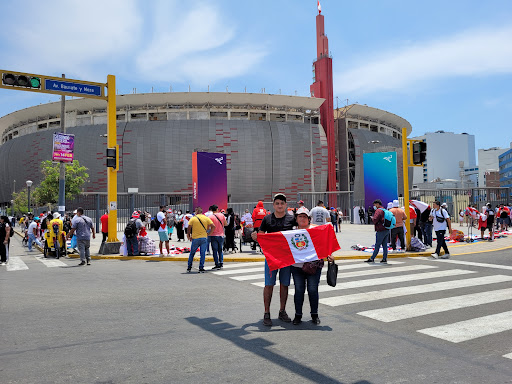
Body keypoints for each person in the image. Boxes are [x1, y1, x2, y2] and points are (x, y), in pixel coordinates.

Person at [251, 193, 296, 327]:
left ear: (286, 205)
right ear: (274, 205)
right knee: (269, 285)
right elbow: (261, 235)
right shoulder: (267, 219)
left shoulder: (291, 219)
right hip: (271, 257)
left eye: (282, 203)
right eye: (277, 203)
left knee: (285, 284)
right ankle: (266, 313)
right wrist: (255, 236)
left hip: (287, 257)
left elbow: (302, 231)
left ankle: (282, 311)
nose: (280, 205)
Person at [290, 207, 334, 325]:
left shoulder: (317, 229)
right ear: (296, 218)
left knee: (312, 290)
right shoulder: (291, 232)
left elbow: (327, 240)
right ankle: (298, 315)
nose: (302, 219)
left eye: (305, 216)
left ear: (309, 219)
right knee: (299, 290)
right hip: (296, 267)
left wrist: (329, 253)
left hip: (314, 265)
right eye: (300, 216)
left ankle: (314, 314)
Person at [186, 207, 215, 273]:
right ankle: (201, 267)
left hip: (195, 238)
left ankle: (189, 267)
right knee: (202, 253)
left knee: (192, 253)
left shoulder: (193, 218)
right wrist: (209, 233)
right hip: (204, 238)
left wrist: (188, 235)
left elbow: (189, 227)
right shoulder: (206, 218)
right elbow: (213, 226)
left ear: (196, 211)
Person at [365, 199, 390, 264]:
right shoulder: (384, 210)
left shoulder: (378, 211)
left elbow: (375, 219)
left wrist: (372, 218)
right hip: (386, 229)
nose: (374, 206)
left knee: (377, 245)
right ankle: (384, 258)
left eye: (375, 205)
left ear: (377, 204)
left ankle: (372, 258)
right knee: (385, 245)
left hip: (380, 229)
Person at [208, 205, 227, 269]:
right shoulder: (222, 215)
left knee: (214, 250)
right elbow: (225, 224)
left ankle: (216, 263)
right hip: (221, 235)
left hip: (213, 235)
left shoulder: (210, 217)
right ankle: (221, 262)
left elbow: (208, 226)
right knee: (220, 250)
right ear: (217, 209)